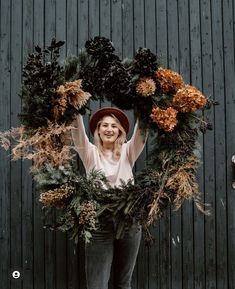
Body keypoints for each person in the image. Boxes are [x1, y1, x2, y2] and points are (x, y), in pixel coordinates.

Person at [71, 107, 148, 289]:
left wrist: (145, 102)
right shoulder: (90, 153)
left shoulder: (128, 152)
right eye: (104, 125)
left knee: (123, 283)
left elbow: (142, 132)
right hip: (99, 222)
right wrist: (74, 105)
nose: (109, 129)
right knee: (97, 284)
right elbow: (77, 132)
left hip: (129, 220)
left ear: (120, 131)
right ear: (97, 130)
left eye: (114, 126)